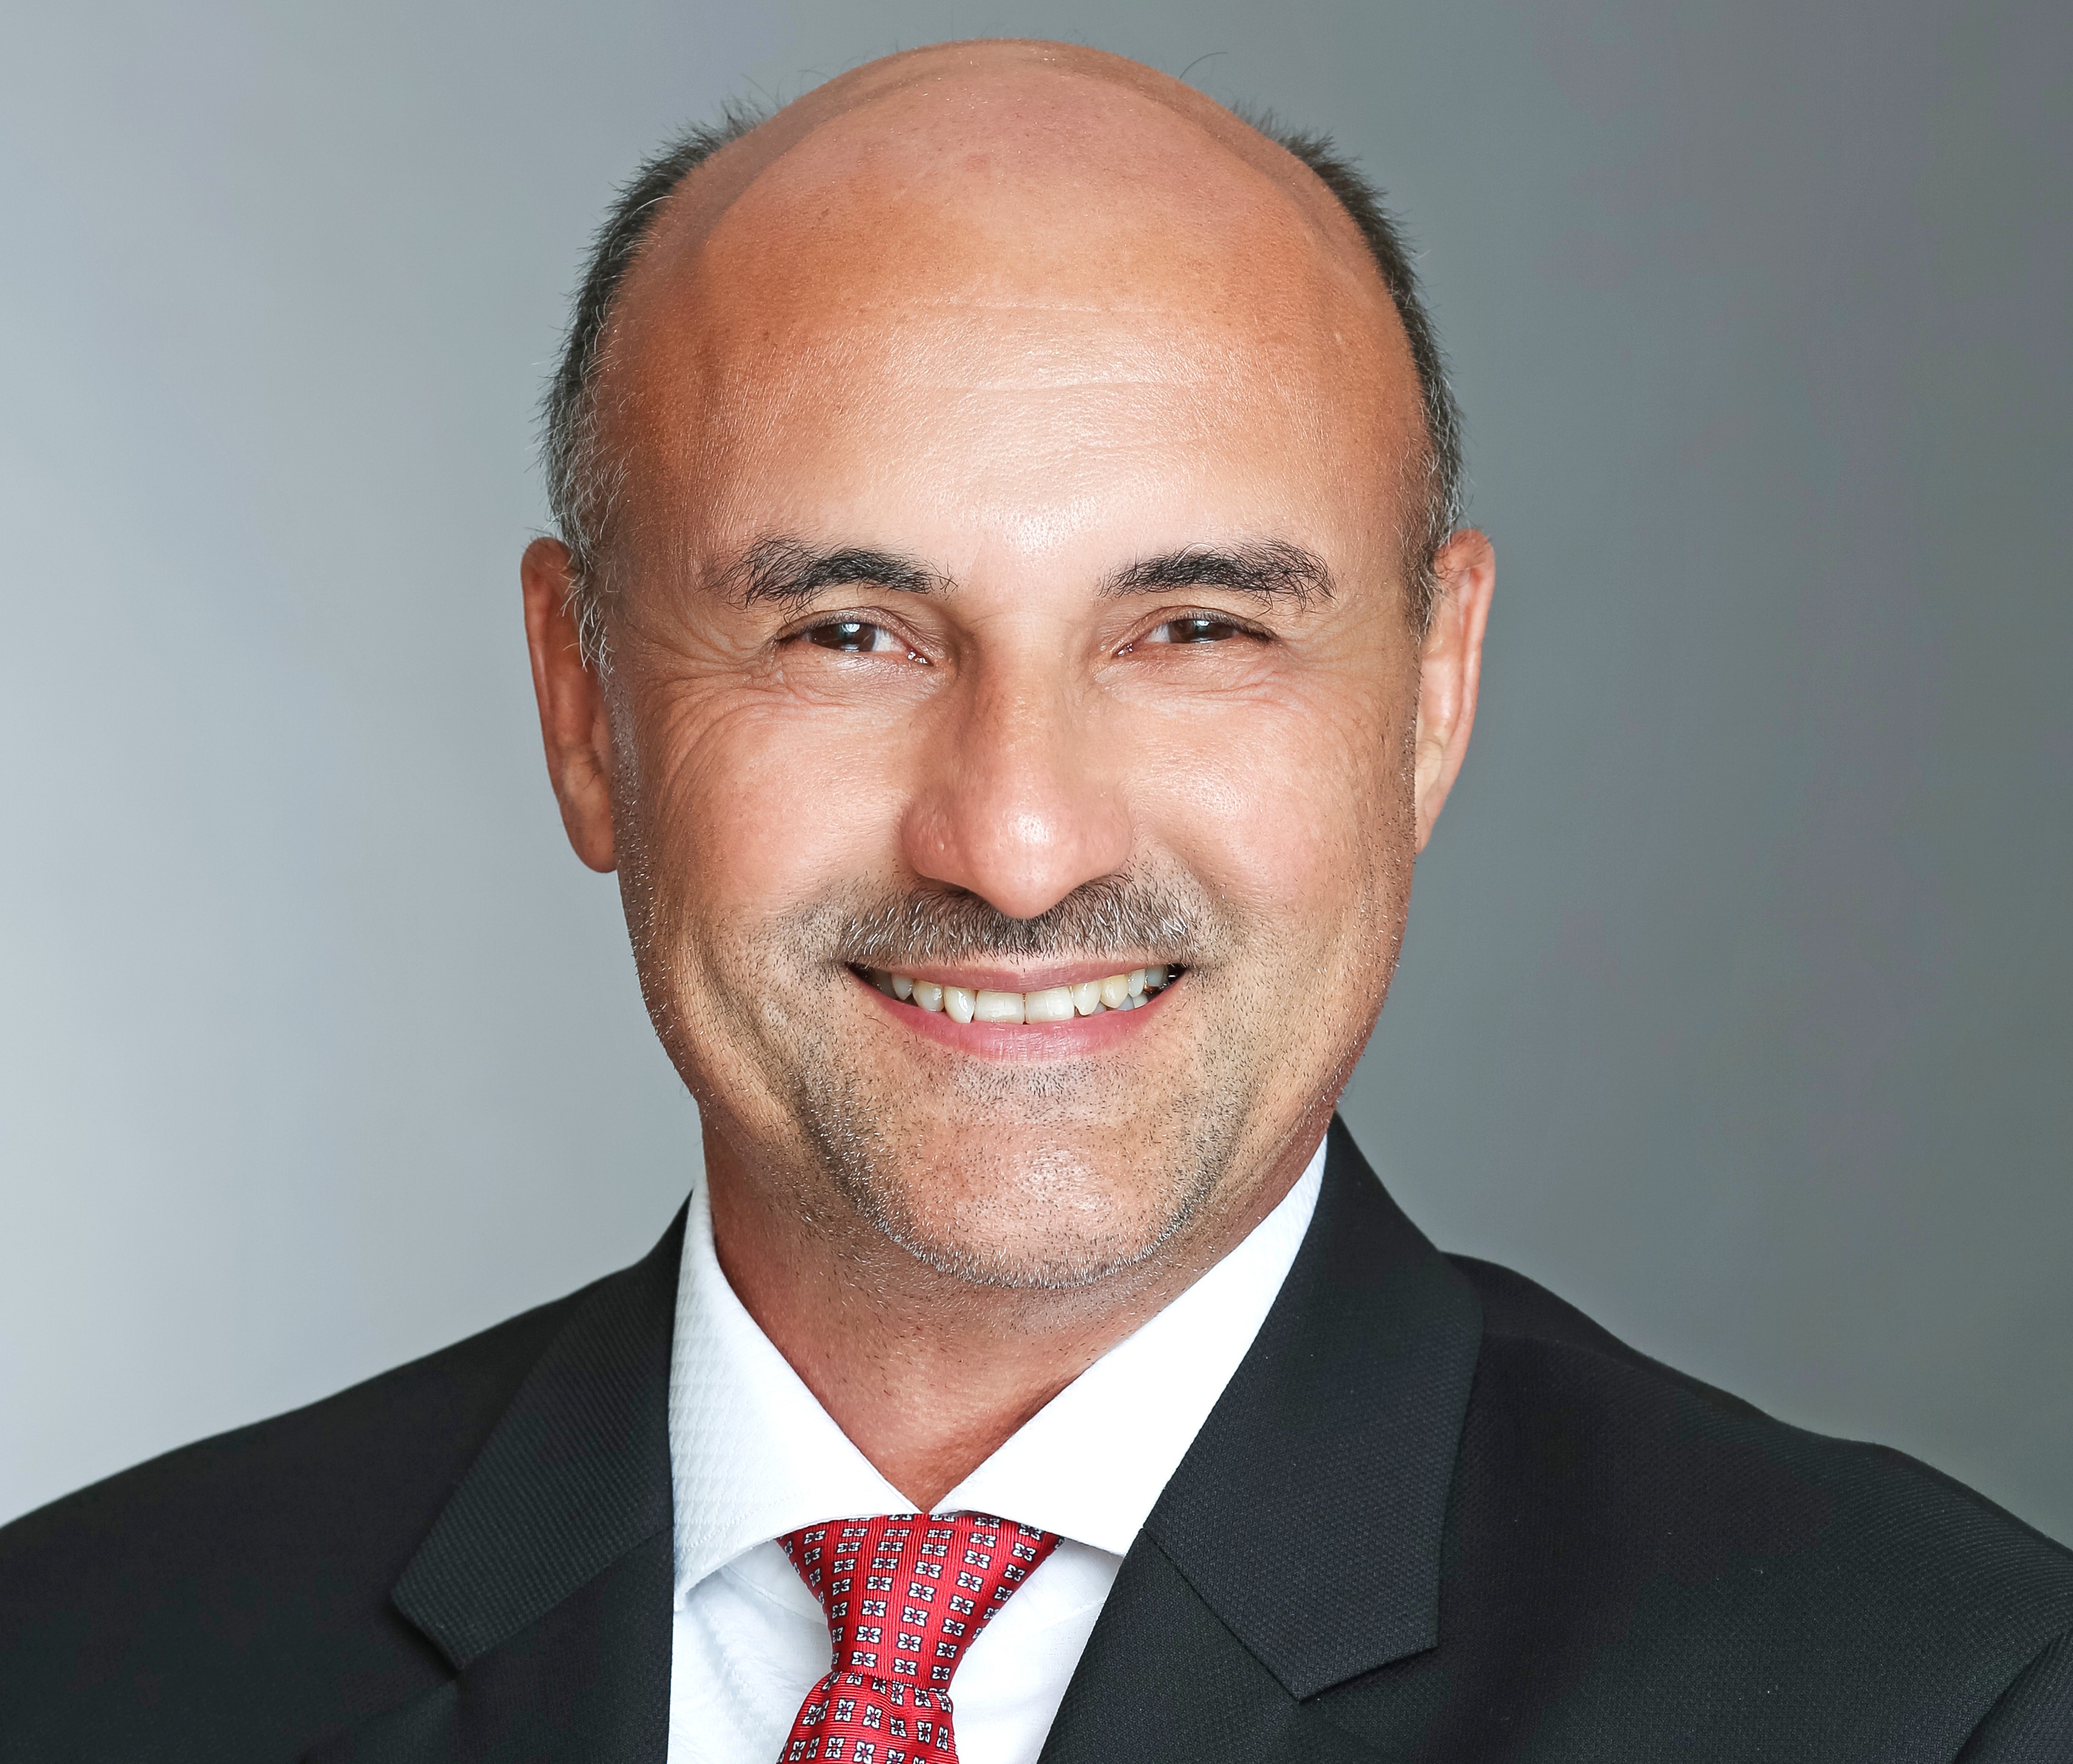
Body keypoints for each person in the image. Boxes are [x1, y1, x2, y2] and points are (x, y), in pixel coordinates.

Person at [2, 37, 2068, 1764]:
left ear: (1433, 697)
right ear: (583, 704)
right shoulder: (81, 1669)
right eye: (846, 633)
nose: (1016, 843)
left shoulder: (1932, 1705)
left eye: (1195, 629)